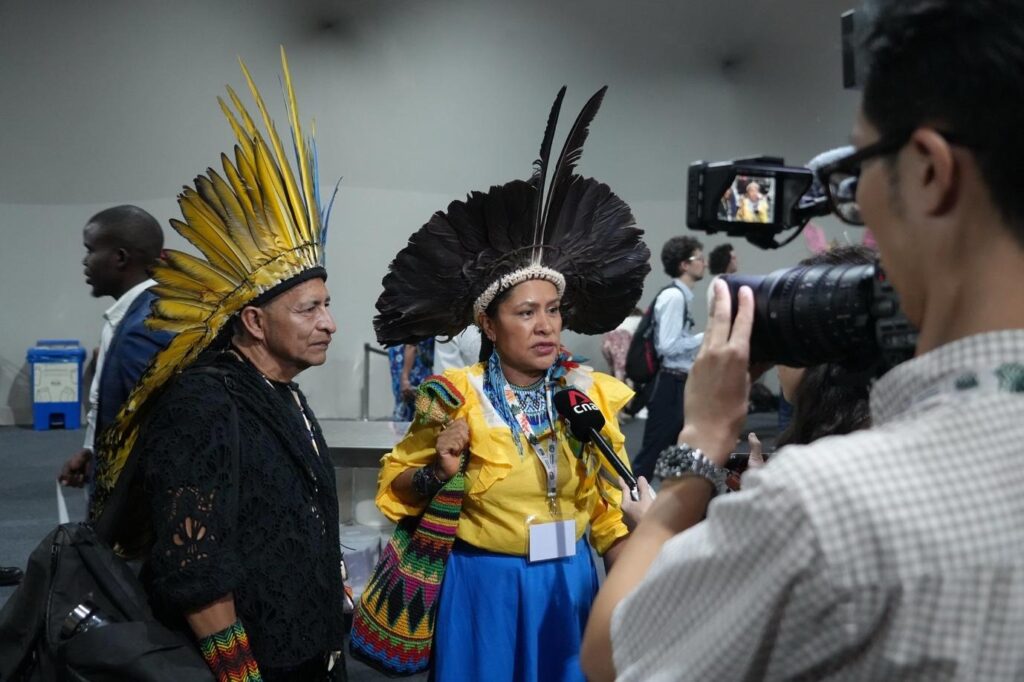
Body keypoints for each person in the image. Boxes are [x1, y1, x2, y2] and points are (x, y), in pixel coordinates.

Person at [582, 1, 1024, 679]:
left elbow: (614, 655)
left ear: (931, 171)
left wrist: (698, 449)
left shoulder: (826, 510)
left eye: (858, 170)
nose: (860, 199)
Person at [371, 86, 650, 682]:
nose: (546, 324)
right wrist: (438, 473)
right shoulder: (455, 398)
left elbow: (607, 511)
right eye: (526, 312)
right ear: (488, 325)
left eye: (553, 309)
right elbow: (400, 488)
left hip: (571, 583)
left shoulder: (588, 396)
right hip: (484, 589)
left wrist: (633, 588)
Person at [101, 54, 347, 681]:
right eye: (310, 308)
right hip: (253, 664)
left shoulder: (283, 391)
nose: (329, 322)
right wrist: (241, 675)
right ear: (255, 322)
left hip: (308, 652)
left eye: (328, 305)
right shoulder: (205, 405)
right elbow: (193, 564)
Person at [57, 205, 173, 510]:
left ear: (120, 258)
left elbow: (160, 429)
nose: (85, 261)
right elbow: (116, 404)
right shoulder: (131, 314)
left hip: (136, 506)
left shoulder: (144, 328)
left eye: (90, 250)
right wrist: (91, 450)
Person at [629, 236, 705, 481]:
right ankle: (627, 510)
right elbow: (668, 346)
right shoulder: (674, 297)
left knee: (673, 450)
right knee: (653, 451)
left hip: (676, 383)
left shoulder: (679, 296)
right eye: (699, 258)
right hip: (669, 384)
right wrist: (705, 337)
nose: (703, 263)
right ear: (684, 265)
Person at [388, 339, 434, 421]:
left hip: (412, 374)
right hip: (417, 373)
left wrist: (405, 378)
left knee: (406, 413)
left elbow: (411, 345)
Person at [704, 242, 737, 311]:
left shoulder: (716, 281)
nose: (736, 261)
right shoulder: (724, 282)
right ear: (726, 260)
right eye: (733, 258)